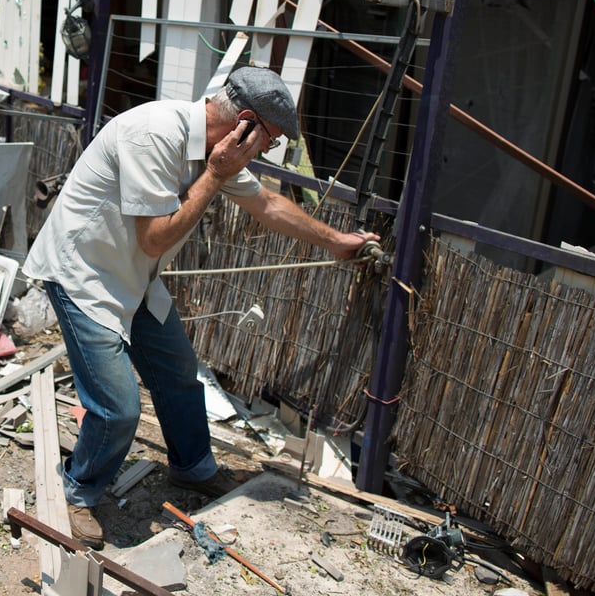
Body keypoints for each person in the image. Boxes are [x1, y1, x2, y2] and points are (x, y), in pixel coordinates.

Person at [22, 65, 378, 549]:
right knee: (118, 408)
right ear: (246, 123)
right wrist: (216, 174)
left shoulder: (214, 151)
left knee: (179, 374)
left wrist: (338, 242)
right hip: (84, 276)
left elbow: (268, 205)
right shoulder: (154, 135)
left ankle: (193, 468)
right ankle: (79, 492)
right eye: (269, 140)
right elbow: (155, 238)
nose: (266, 151)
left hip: (133, 280)